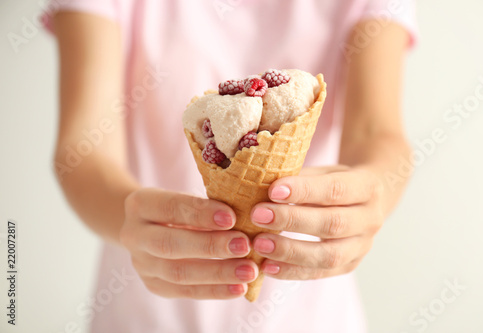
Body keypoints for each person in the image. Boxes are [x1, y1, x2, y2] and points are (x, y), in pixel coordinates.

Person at [43, 0, 417, 332]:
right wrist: (127, 216)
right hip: (144, 308)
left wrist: (371, 192)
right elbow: (83, 147)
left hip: (311, 312)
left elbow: (375, 133)